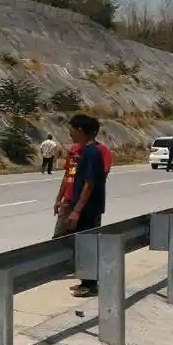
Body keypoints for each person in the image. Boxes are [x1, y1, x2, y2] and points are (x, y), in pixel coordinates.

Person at [65, 114, 107, 298]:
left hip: (88, 209)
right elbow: (72, 177)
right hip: (85, 207)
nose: (70, 133)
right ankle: (86, 282)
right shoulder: (84, 151)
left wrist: (76, 210)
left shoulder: (91, 153)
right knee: (84, 245)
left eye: (72, 130)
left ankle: (90, 285)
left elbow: (89, 184)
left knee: (88, 245)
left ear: (80, 130)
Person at [52, 143, 82, 238]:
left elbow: (95, 182)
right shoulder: (74, 149)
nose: (70, 133)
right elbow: (68, 176)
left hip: (86, 205)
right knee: (59, 236)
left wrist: (77, 210)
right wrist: (58, 199)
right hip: (68, 202)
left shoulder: (98, 151)